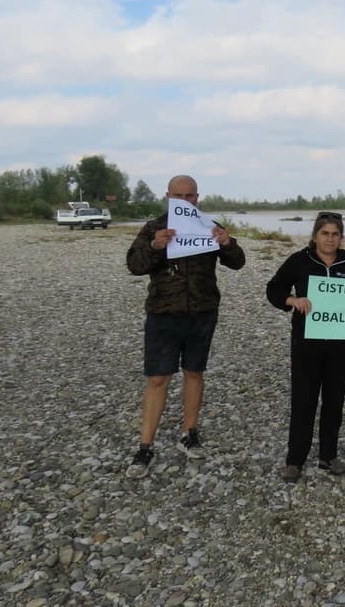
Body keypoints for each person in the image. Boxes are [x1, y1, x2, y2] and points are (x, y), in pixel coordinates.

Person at [125, 175, 246, 479]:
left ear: (197, 197)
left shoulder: (209, 225)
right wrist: (155, 246)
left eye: (189, 195)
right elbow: (134, 266)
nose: (184, 200)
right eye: (178, 195)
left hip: (203, 312)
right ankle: (145, 446)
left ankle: (188, 433)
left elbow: (238, 261)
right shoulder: (154, 227)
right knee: (157, 379)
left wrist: (227, 242)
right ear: (168, 196)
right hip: (163, 314)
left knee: (194, 373)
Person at [266, 212, 345, 483]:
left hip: (342, 342)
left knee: (335, 400)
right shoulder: (300, 261)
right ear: (314, 236)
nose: (330, 239)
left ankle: (328, 455)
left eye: (335, 234)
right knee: (304, 400)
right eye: (325, 233)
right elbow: (273, 289)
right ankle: (295, 460)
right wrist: (292, 300)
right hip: (307, 342)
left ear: (341, 237)